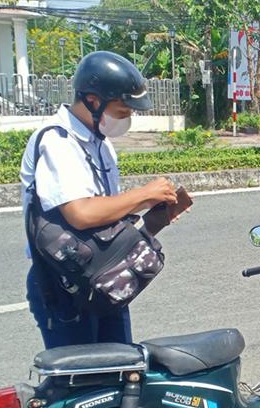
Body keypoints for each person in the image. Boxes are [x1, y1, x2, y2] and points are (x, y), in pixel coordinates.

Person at [20, 51, 177, 349]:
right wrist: (144, 194)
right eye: (123, 110)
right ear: (93, 101)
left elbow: (105, 224)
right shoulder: (58, 141)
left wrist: (152, 222)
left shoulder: (101, 146)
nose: (128, 118)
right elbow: (81, 214)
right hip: (64, 284)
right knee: (82, 384)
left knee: (120, 373)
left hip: (103, 278)